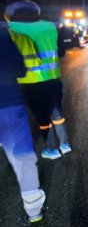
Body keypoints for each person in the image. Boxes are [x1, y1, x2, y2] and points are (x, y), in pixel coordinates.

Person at [4, 0, 71, 160]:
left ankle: (52, 149)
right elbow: (61, 52)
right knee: (57, 113)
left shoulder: (11, 29)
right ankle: (65, 144)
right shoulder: (49, 26)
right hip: (53, 78)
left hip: (30, 82)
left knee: (42, 117)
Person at [0, 27, 46, 223]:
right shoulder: (3, 39)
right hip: (9, 104)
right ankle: (34, 211)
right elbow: (20, 69)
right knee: (22, 158)